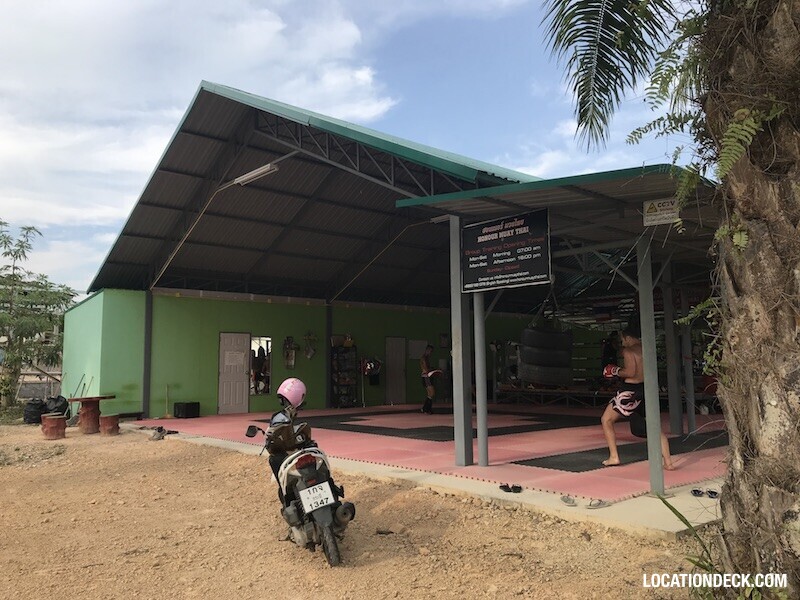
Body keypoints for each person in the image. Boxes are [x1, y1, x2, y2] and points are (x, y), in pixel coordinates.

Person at [600, 326, 675, 470]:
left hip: (630, 391)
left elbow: (631, 372)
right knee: (655, 427)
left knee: (606, 420)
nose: (622, 343)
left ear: (628, 338)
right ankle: (668, 462)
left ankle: (614, 456)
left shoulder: (628, 351)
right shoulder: (648, 349)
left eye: (622, 340)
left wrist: (614, 371)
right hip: (647, 389)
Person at [419, 344, 437, 414]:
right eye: (430, 351)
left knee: (430, 394)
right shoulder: (424, 358)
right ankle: (425, 408)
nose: (431, 353)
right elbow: (426, 369)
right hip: (426, 377)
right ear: (427, 350)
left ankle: (426, 409)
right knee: (432, 393)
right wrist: (433, 369)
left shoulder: (426, 358)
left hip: (426, 377)